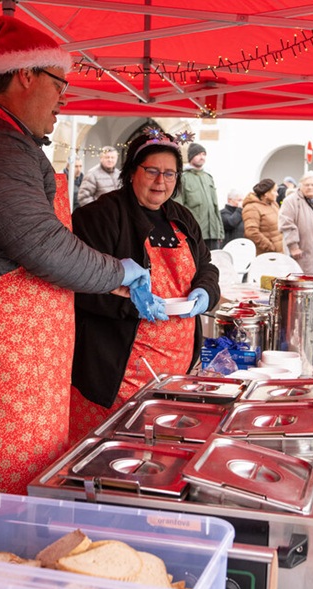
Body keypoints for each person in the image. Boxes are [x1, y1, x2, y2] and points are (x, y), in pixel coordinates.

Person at [0, 16, 151, 502]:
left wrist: (114, 279)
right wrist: (117, 270)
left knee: (27, 474)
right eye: (59, 83)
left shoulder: (7, 139)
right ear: (25, 75)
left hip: (23, 355)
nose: (64, 98)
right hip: (1, 351)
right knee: (8, 483)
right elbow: (42, 244)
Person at [69, 129, 220, 439]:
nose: (160, 181)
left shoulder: (183, 218)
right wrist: (132, 306)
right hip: (117, 372)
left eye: (169, 173)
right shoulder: (99, 217)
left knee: (161, 450)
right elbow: (79, 286)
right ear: (131, 171)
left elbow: (206, 266)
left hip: (177, 369)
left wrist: (206, 291)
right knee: (111, 451)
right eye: (152, 171)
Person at [176, 142, 223, 249]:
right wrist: (182, 231)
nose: (202, 157)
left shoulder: (208, 177)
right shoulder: (183, 178)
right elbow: (178, 208)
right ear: (191, 157)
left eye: (203, 154)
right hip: (194, 233)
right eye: (198, 154)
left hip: (213, 234)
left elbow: (215, 207)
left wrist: (220, 232)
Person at [242, 178, 283, 255]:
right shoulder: (252, 208)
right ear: (266, 194)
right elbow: (251, 232)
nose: (277, 194)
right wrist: (270, 247)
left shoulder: (274, 204)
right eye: (274, 191)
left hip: (279, 252)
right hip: (265, 254)